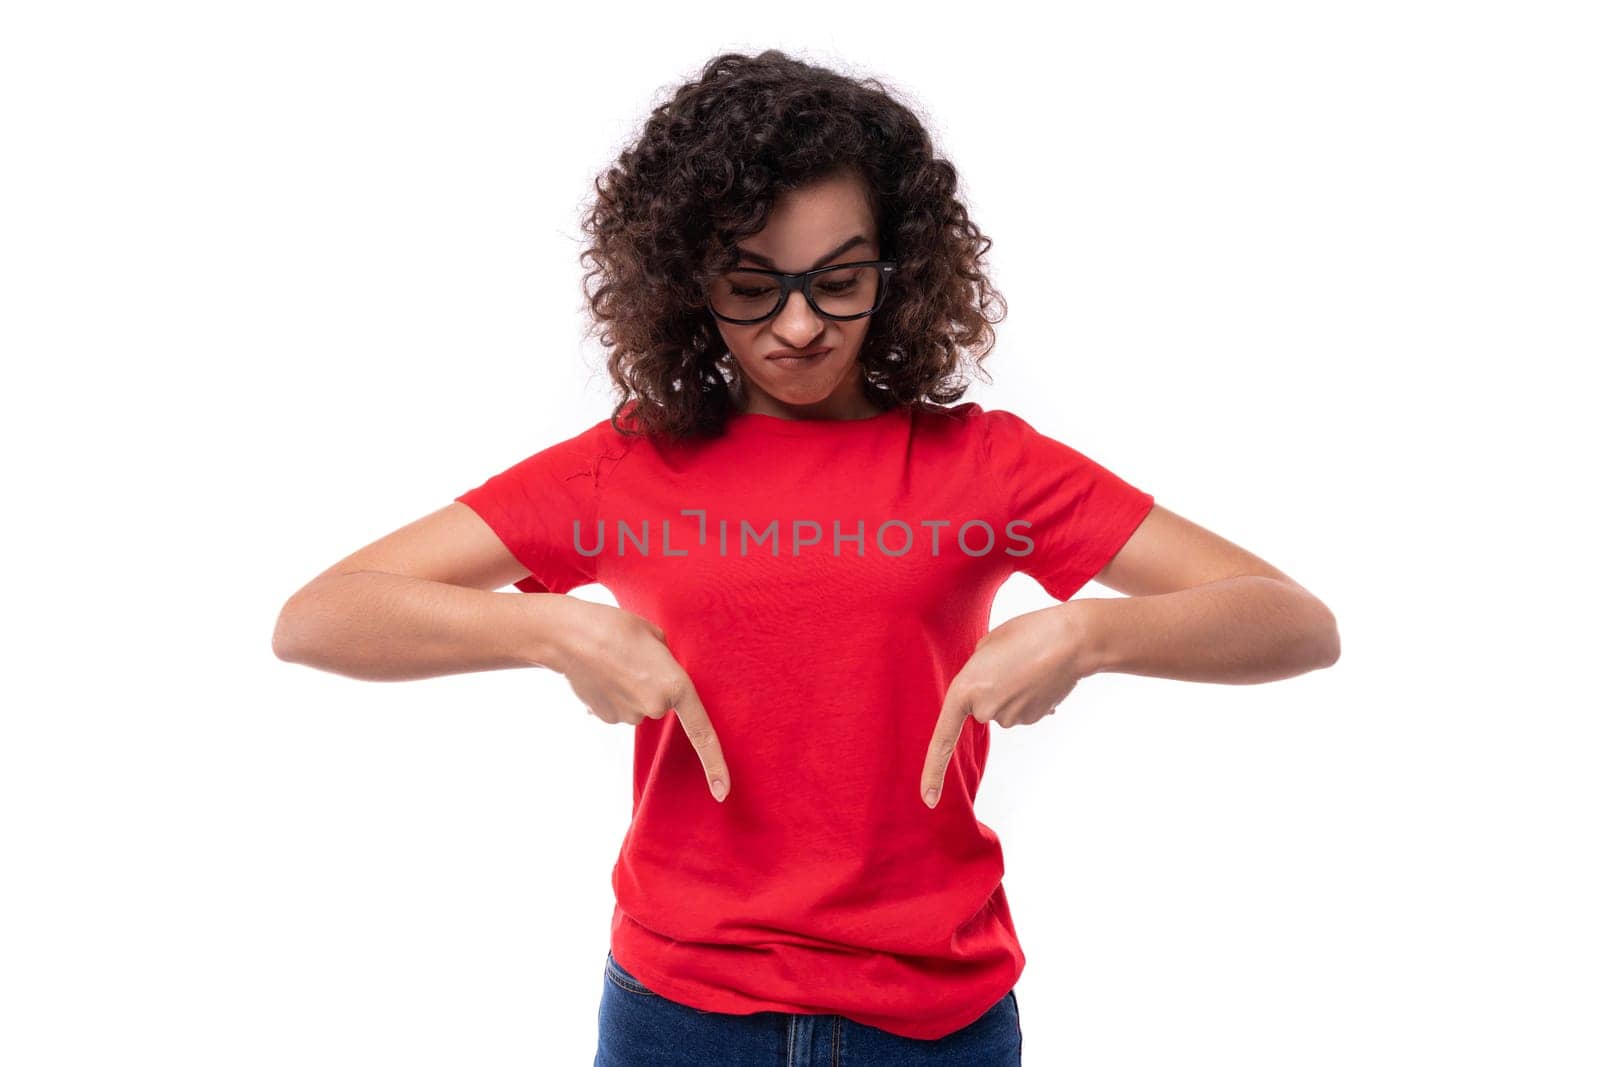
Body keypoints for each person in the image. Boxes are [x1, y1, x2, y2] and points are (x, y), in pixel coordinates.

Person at [272, 49, 1340, 1066]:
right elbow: (320, 614)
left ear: (899, 267)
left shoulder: (987, 467)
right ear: (689, 277)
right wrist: (551, 626)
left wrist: (1093, 629)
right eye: (752, 283)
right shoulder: (622, 467)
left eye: (838, 280)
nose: (796, 326)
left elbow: (1294, 620)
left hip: (935, 1019)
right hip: (677, 1014)